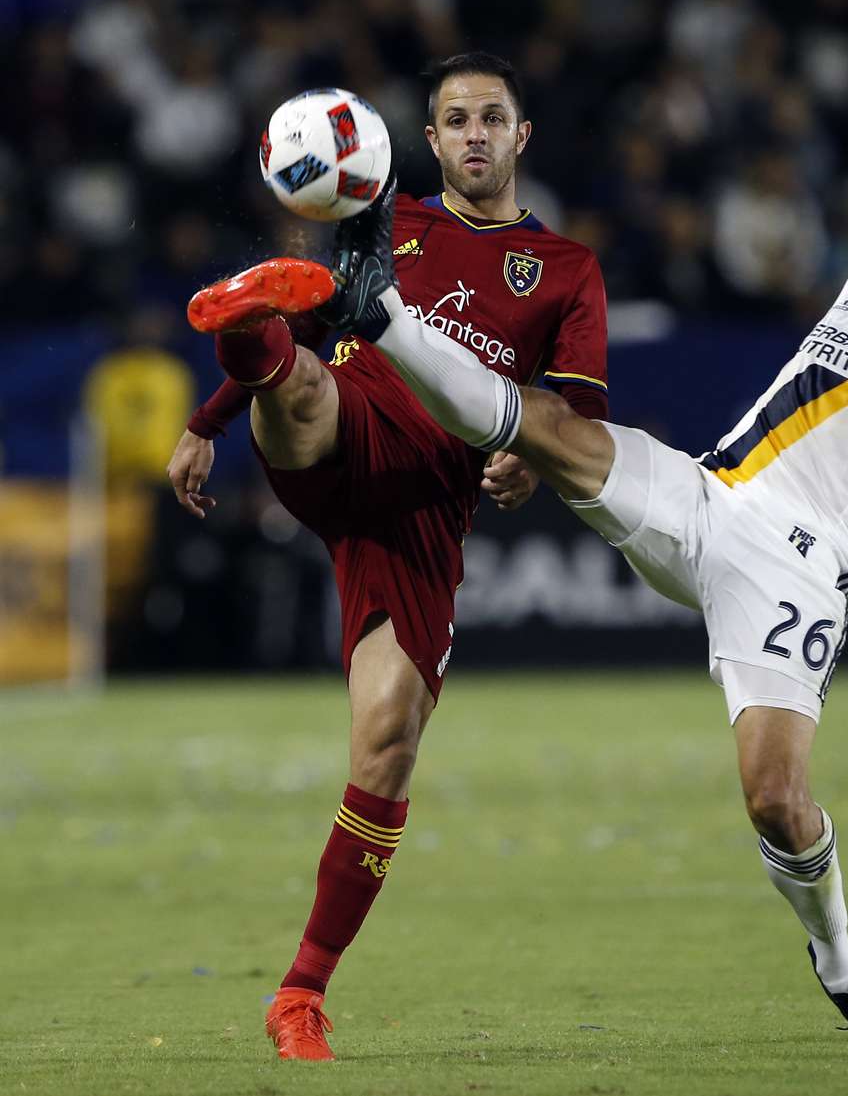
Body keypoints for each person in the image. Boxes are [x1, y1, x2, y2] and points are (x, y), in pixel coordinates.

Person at [192, 73, 848, 1055]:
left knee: (775, 799)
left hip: (792, 572)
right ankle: (372, 315)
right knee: (541, 421)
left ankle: (839, 965)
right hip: (703, 499)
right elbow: (565, 414)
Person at [171, 52, 610, 1061]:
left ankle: (299, 997)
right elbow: (335, 324)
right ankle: (253, 340)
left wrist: (527, 464)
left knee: (388, 741)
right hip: (352, 424)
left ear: (520, 135)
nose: (472, 134)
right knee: (312, 382)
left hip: (426, 505)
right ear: (431, 135)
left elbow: (577, 415)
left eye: (490, 117)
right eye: (454, 118)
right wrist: (207, 423)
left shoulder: (568, 271)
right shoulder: (391, 221)